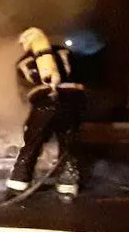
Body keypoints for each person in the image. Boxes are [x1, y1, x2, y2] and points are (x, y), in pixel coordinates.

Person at [7, 26, 85, 200]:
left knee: (33, 143)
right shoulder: (65, 53)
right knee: (68, 144)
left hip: (44, 104)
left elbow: (27, 88)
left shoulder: (24, 61)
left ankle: (19, 183)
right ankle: (68, 185)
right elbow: (80, 77)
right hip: (71, 103)